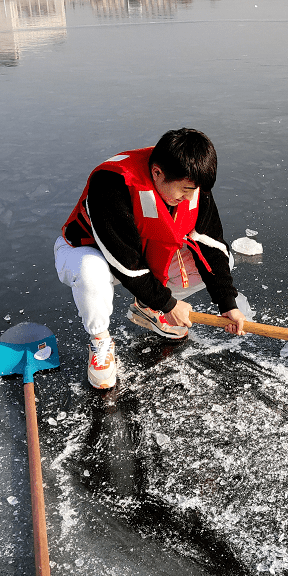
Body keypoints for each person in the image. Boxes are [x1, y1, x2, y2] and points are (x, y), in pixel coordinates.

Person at [55, 128, 246, 389]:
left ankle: (148, 307)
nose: (190, 197)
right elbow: (125, 263)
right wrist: (169, 303)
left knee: (222, 263)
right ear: (157, 172)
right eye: (185, 190)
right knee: (91, 269)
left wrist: (227, 304)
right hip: (90, 252)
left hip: (142, 254)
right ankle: (100, 342)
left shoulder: (192, 183)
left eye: (195, 190)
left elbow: (211, 246)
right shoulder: (111, 184)